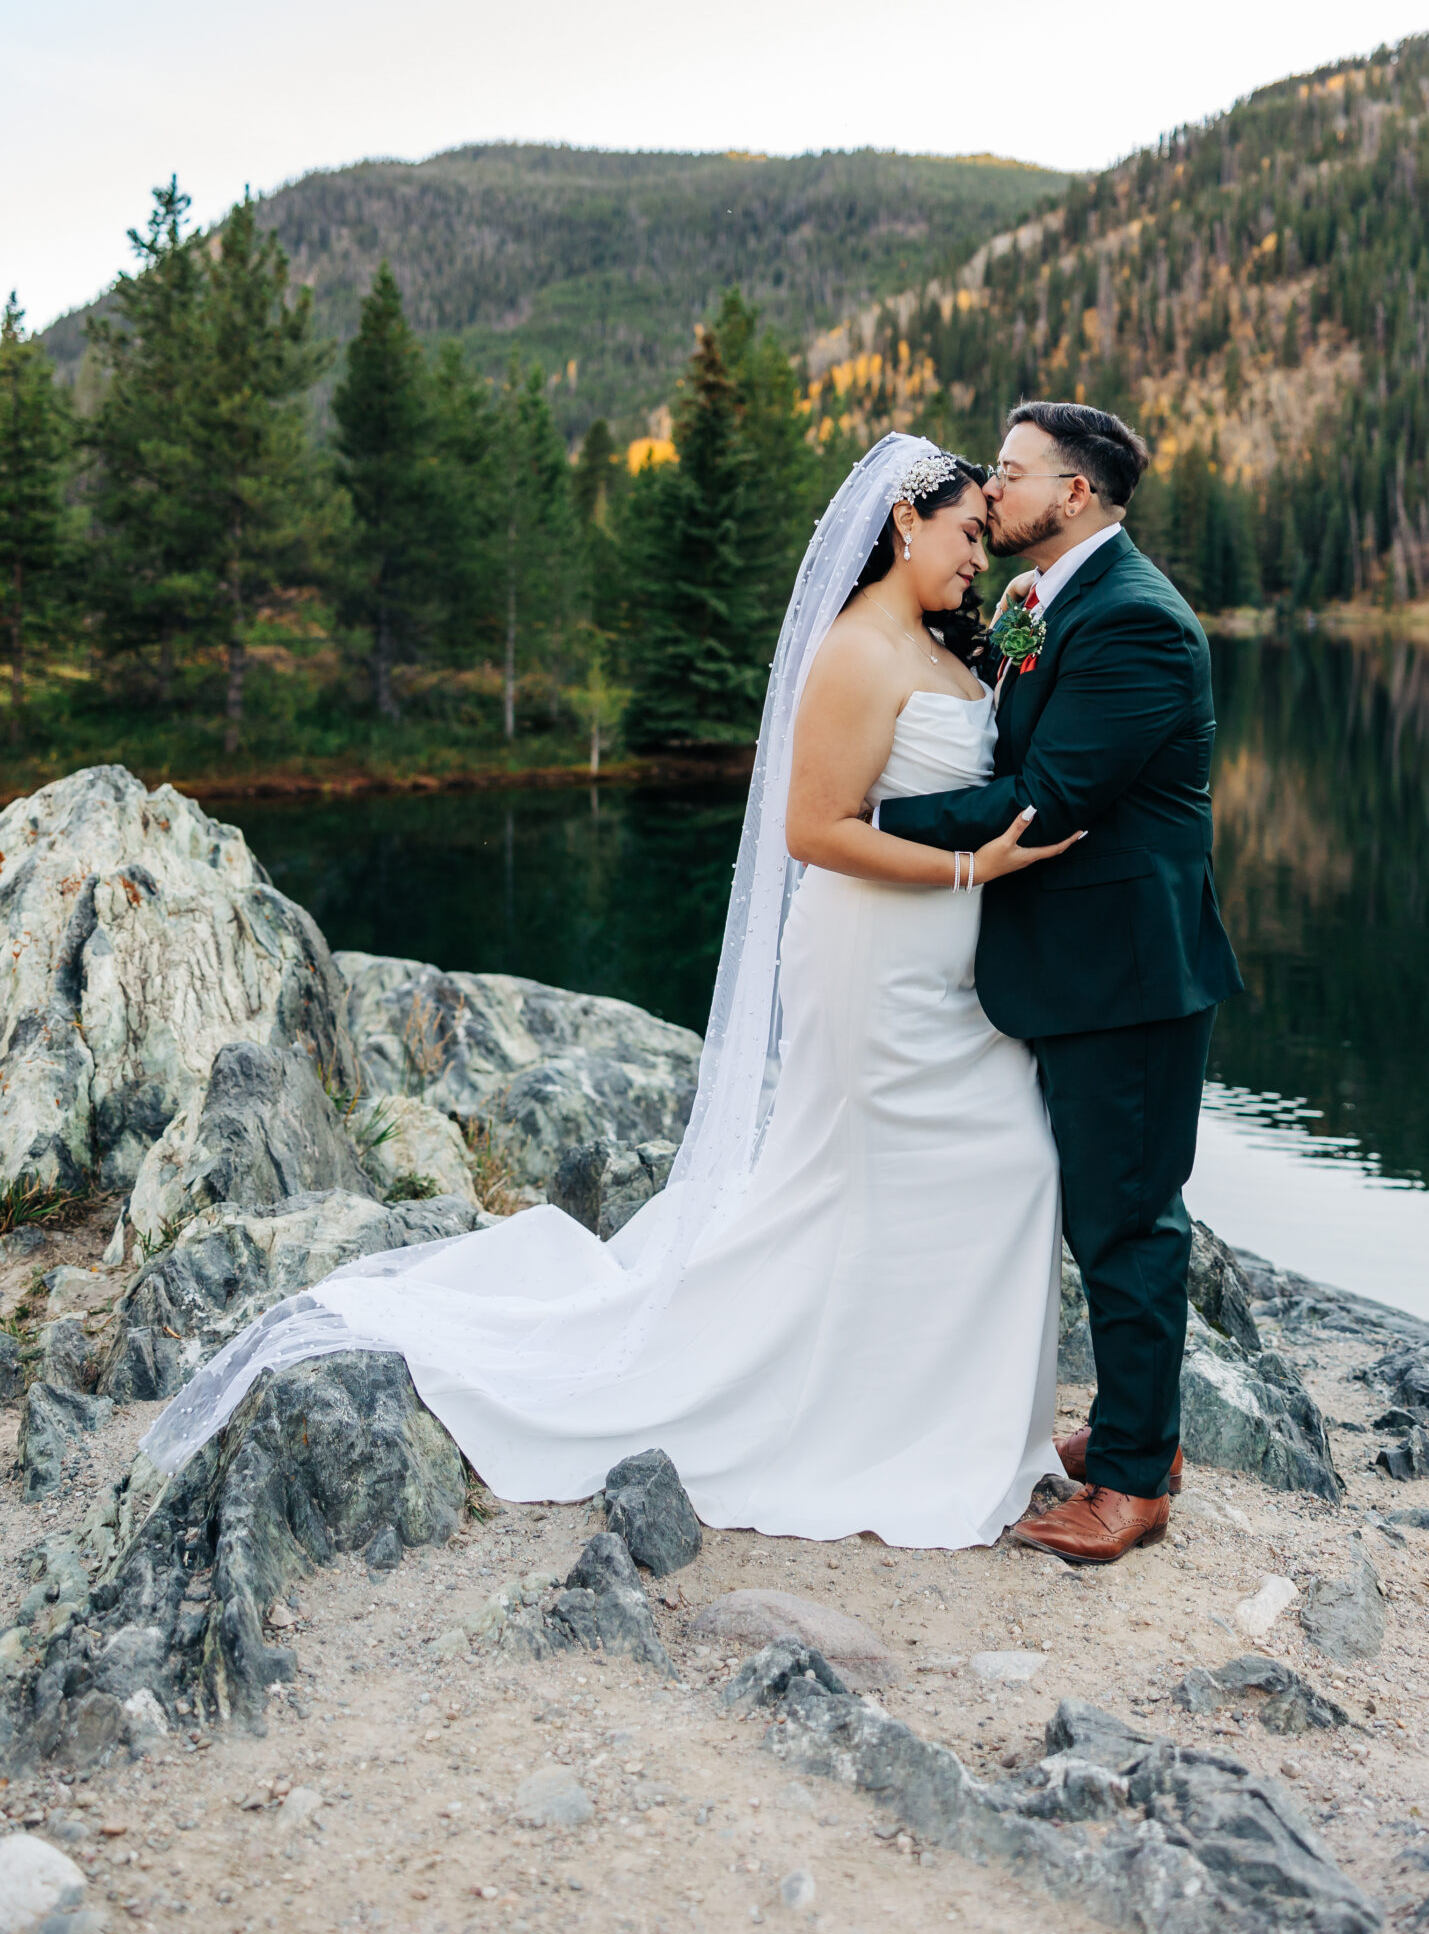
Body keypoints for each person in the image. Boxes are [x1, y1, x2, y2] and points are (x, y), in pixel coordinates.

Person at [142, 434, 1080, 1550]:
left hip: (944, 971)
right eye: (968, 532)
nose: (981, 553)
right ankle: (867, 1417)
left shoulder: (941, 644)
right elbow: (812, 831)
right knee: (917, 1169)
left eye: (987, 533)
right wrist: (975, 868)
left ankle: (932, 1413)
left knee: (989, 1162)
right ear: (900, 525)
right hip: (874, 965)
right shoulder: (855, 652)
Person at [874, 400, 1243, 1564]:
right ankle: (1144, 1433)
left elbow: (1049, 798)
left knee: (1129, 1221)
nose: (993, 487)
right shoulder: (1048, 598)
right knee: (1100, 1207)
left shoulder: (1138, 622)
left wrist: (860, 819)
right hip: (1077, 966)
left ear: (1073, 494)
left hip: (1128, 973)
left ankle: (1135, 1483)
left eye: (1014, 470)